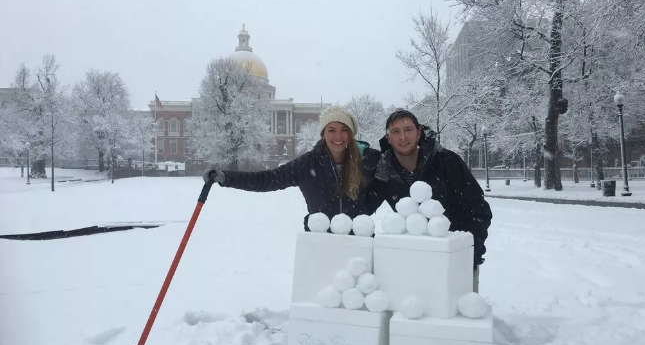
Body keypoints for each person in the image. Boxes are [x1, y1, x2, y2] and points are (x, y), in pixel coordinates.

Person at [367, 110, 492, 293]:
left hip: (456, 257)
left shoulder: (446, 161)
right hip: (416, 259)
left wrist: (468, 251)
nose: (403, 137)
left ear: (419, 132)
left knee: (458, 314)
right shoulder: (384, 169)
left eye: (408, 129)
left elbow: (478, 211)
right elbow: (363, 206)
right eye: (396, 132)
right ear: (388, 137)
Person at [203, 105, 381, 230]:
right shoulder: (308, 164)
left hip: (360, 241)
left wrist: (365, 211)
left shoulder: (369, 160)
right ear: (323, 134)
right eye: (331, 130)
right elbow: (267, 180)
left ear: (351, 134)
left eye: (344, 130)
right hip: (320, 241)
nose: (338, 136)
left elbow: (397, 179)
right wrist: (227, 177)